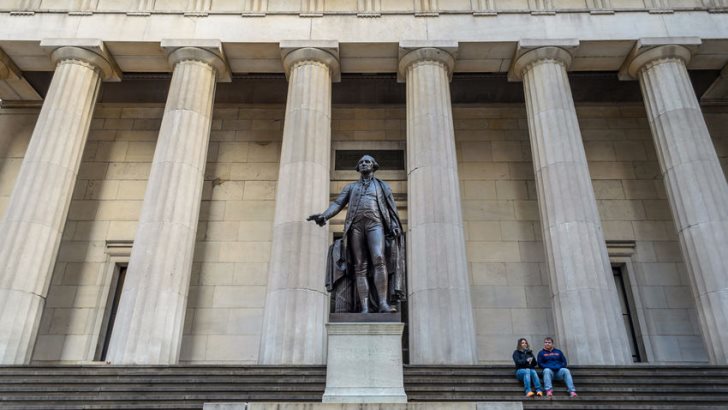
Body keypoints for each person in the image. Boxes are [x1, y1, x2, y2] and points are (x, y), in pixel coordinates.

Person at [308, 155, 405, 314]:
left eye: (367, 161)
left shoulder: (382, 186)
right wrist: (325, 216)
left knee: (379, 258)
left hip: (376, 224)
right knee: (360, 266)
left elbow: (390, 208)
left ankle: (382, 304)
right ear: (358, 168)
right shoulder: (350, 187)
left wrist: (394, 224)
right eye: (361, 162)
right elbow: (338, 203)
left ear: (374, 165)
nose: (364, 163)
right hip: (356, 227)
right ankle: (365, 308)